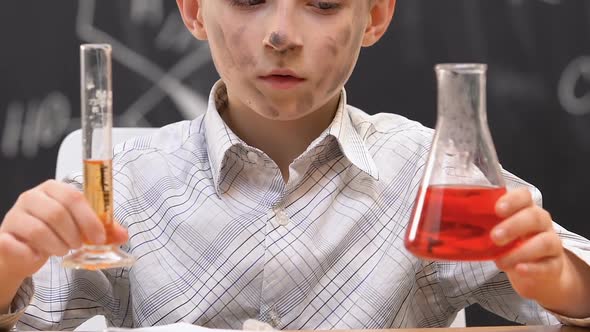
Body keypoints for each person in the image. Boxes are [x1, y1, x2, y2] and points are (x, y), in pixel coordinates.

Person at [1, 0, 590, 330]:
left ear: (377, 15)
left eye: (324, 3)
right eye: (249, 0)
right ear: (193, 10)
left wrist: (560, 281)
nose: (281, 33)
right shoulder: (125, 182)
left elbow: (573, 281)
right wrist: (6, 267)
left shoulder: (428, 170)